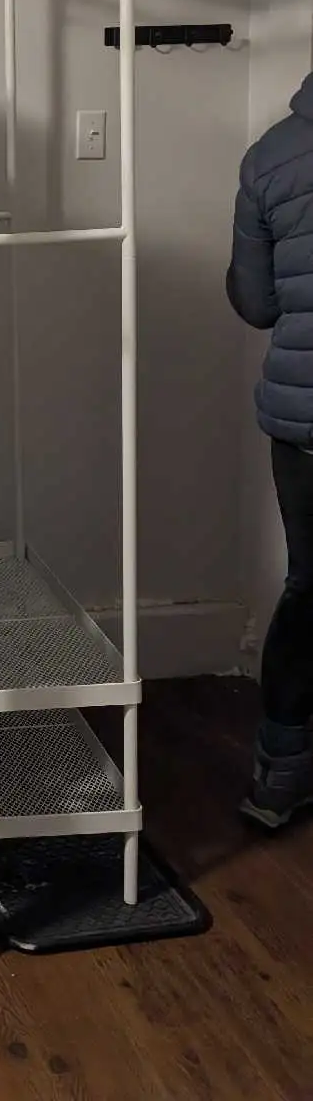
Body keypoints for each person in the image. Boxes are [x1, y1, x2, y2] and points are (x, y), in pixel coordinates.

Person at [228, 71, 313, 828]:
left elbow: (255, 304)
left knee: (308, 589)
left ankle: (279, 775)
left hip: (303, 415)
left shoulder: (271, 156)